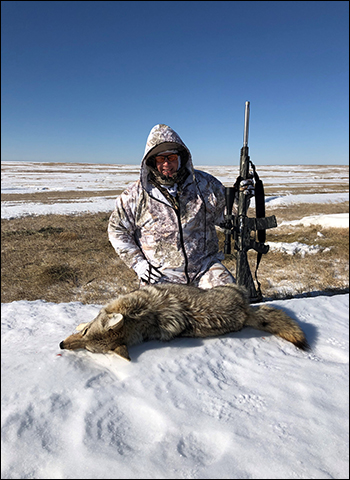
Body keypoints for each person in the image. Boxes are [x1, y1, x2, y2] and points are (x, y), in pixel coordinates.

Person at [108, 124, 254, 288]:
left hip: (205, 269)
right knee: (156, 313)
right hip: (160, 275)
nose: (166, 164)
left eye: (171, 157)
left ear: (181, 157)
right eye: (160, 158)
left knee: (230, 301)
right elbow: (117, 229)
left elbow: (227, 216)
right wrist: (138, 263)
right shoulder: (134, 195)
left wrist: (241, 197)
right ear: (151, 161)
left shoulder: (205, 184)